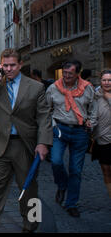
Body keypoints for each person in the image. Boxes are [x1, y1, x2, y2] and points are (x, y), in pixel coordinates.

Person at [0, 49, 52, 233]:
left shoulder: (35, 87)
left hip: (25, 146)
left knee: (29, 190)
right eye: (5, 65)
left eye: (12, 65)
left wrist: (43, 143)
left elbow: (44, 117)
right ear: (1, 65)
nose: (8, 69)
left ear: (20, 65)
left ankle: (32, 225)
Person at [45, 59, 97, 218]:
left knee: (76, 170)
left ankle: (71, 204)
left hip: (80, 131)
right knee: (55, 161)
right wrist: (52, 124)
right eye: (64, 73)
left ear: (77, 74)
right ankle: (62, 185)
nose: (66, 76)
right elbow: (46, 110)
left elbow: (93, 110)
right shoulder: (54, 88)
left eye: (70, 74)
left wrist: (91, 123)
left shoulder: (87, 89)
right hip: (59, 129)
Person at [92, 69, 111, 197]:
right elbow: (92, 114)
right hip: (101, 139)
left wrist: (109, 98)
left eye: (109, 80)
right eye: (104, 80)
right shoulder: (95, 95)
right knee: (106, 170)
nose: (107, 82)